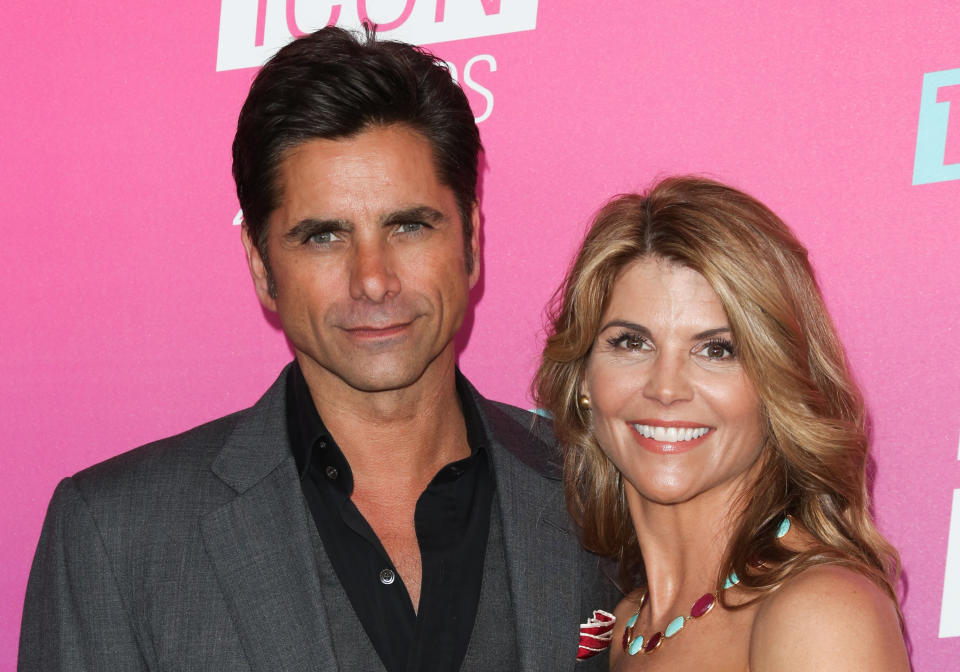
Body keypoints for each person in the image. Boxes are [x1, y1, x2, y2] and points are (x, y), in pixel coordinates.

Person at [19, 27, 619, 672]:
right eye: (324, 237)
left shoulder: (607, 488)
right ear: (261, 265)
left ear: (470, 239)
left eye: (409, 225)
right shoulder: (118, 536)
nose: (373, 279)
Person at [534, 176, 911, 670]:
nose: (666, 388)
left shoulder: (820, 612)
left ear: (776, 384)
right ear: (584, 377)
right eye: (631, 342)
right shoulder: (624, 627)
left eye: (717, 350)